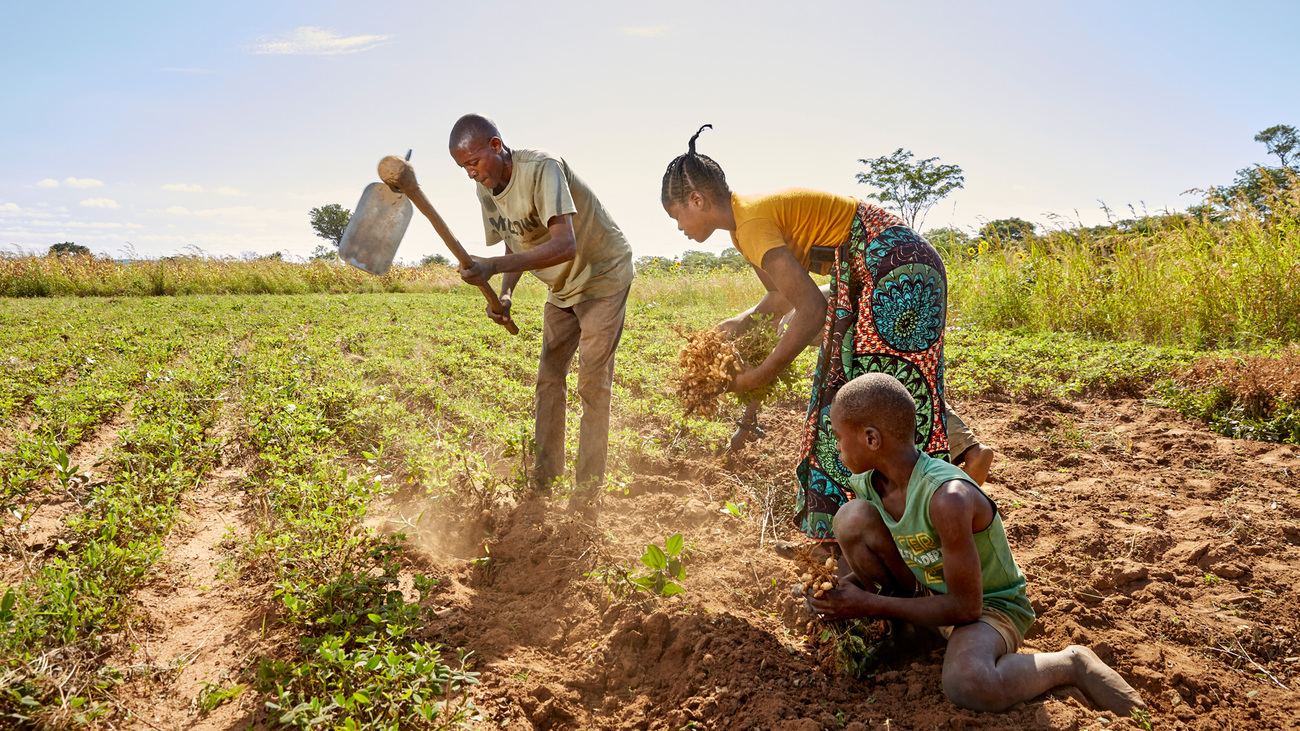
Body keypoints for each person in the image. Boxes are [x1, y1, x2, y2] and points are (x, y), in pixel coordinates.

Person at [660, 124, 990, 543]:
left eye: (677, 216)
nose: (679, 227)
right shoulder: (747, 224)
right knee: (869, 385)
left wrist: (762, 373)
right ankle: (892, 513)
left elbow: (811, 310)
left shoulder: (751, 224)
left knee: (876, 392)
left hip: (892, 267)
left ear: (697, 199)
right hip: (877, 268)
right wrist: (743, 321)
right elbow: (785, 296)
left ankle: (924, 515)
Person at [807, 373, 1145, 715]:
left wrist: (868, 603)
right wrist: (835, 590)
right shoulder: (870, 484)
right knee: (851, 518)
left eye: (837, 437)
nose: (836, 446)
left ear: (871, 439)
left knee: (969, 683)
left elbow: (966, 607)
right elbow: (893, 552)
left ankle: (1070, 663)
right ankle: (913, 633)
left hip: (986, 606)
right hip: (930, 591)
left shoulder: (947, 498)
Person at [451, 114, 633, 511]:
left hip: (602, 274)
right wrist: (505, 294)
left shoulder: (543, 168)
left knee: (592, 383)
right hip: (562, 287)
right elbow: (513, 247)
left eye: (473, 163)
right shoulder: (487, 189)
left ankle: (586, 494)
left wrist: (491, 268)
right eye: (463, 168)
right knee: (549, 379)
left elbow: (565, 244)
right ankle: (545, 479)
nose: (471, 175)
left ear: (495, 146)